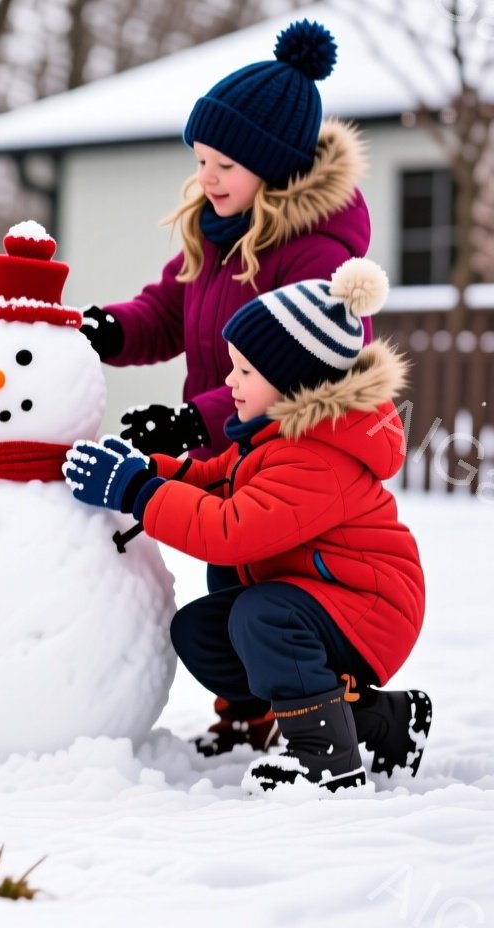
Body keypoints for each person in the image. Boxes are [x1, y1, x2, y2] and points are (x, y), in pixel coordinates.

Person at [80, 19, 372, 753]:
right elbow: (165, 312)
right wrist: (106, 331)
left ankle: (317, 700)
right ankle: (249, 710)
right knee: (227, 577)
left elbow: (301, 366)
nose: (205, 178)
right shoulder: (216, 235)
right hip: (227, 440)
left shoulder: (311, 257)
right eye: (201, 159)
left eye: (224, 165)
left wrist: (191, 422)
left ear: (273, 169)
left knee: (266, 574)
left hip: (287, 446)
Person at [64, 258, 430, 793]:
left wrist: (136, 493)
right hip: (326, 597)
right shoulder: (274, 435)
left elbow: (230, 528)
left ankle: (327, 760)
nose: (229, 381)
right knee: (204, 632)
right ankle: (382, 722)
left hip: (369, 604)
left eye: (244, 372)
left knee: (263, 617)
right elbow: (219, 479)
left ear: (293, 384)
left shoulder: (317, 456)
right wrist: (147, 470)